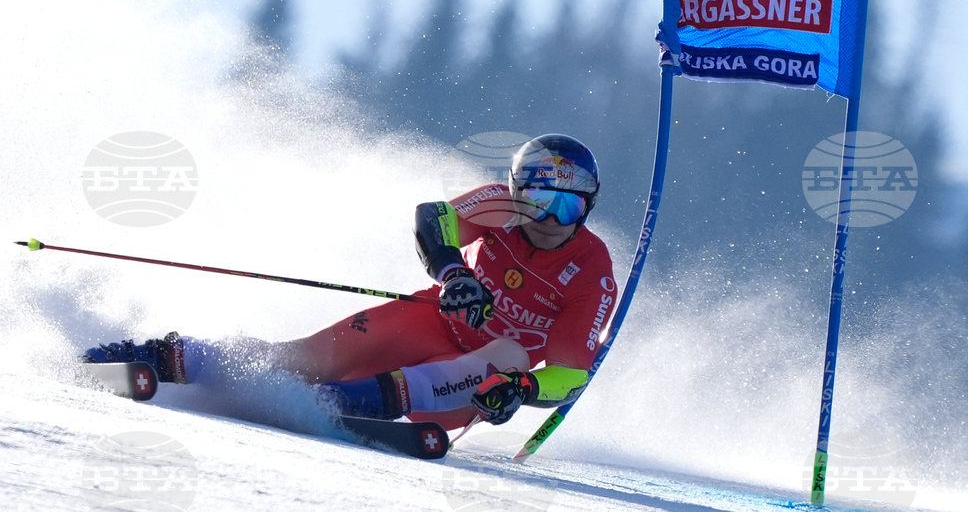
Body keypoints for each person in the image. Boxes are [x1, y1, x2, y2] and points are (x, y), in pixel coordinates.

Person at [85, 134, 619, 430]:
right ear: (514, 193)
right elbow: (433, 217)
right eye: (537, 199)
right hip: (430, 322)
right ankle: (163, 356)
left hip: (472, 385)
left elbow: (571, 374)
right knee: (300, 358)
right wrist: (453, 271)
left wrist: (522, 390)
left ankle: (346, 403)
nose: (550, 218)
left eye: (567, 204)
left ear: (587, 208)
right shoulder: (498, 207)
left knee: (510, 355)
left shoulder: (591, 272)